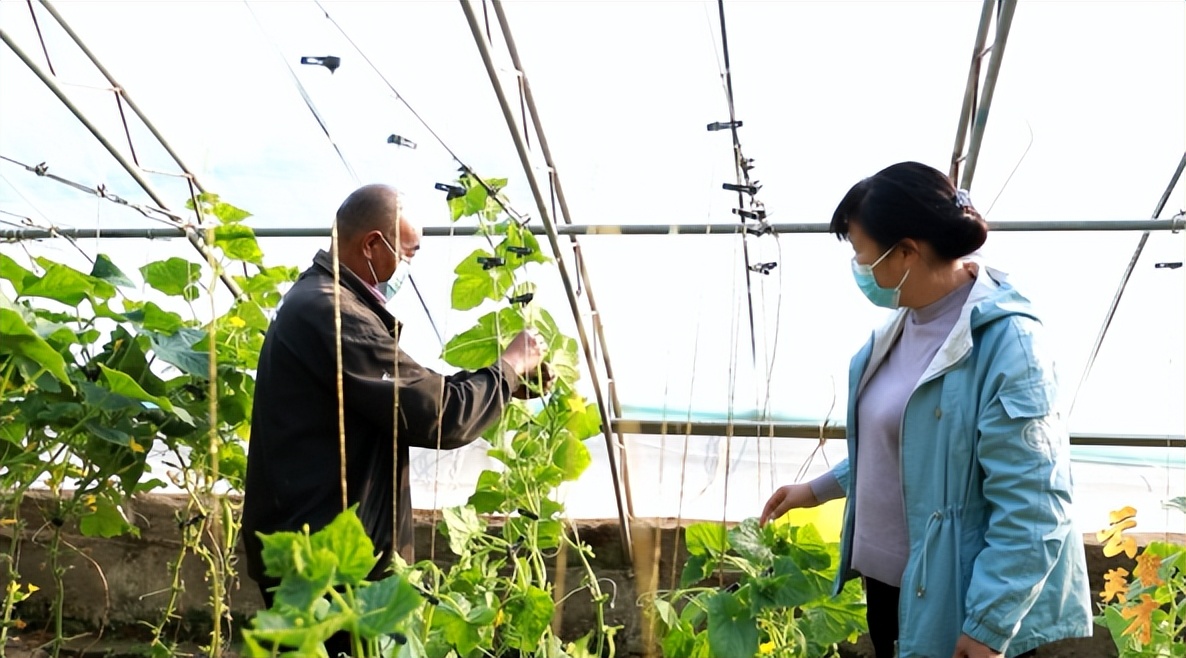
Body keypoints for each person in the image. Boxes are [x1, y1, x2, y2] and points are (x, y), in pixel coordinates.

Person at [760, 162, 1091, 658]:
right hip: (891, 589)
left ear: (907, 252)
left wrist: (987, 625)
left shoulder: (1009, 345)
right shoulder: (902, 326)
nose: (860, 269)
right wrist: (818, 489)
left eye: (861, 254)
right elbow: (917, 444)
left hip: (956, 601)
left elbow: (1035, 506)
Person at [241, 184, 547, 633]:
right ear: (371, 245)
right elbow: (436, 413)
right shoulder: (334, 313)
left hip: (316, 553)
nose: (408, 266)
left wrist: (507, 382)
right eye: (408, 253)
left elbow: (408, 394)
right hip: (327, 566)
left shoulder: (321, 303)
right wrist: (510, 365)